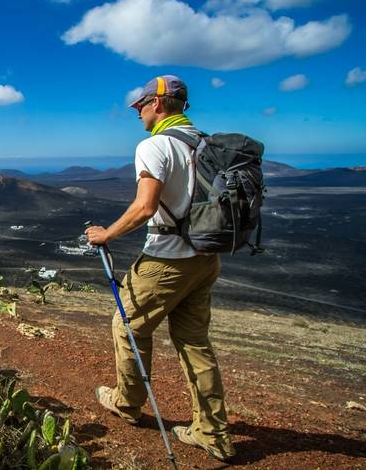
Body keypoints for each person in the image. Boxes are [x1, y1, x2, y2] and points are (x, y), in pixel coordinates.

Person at [84, 75, 235, 462]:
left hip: (167, 259)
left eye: (141, 104)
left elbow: (145, 207)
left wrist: (107, 235)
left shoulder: (155, 146)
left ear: (159, 104)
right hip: (205, 256)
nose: (137, 111)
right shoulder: (205, 144)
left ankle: (127, 403)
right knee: (194, 343)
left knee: (127, 326)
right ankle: (212, 432)